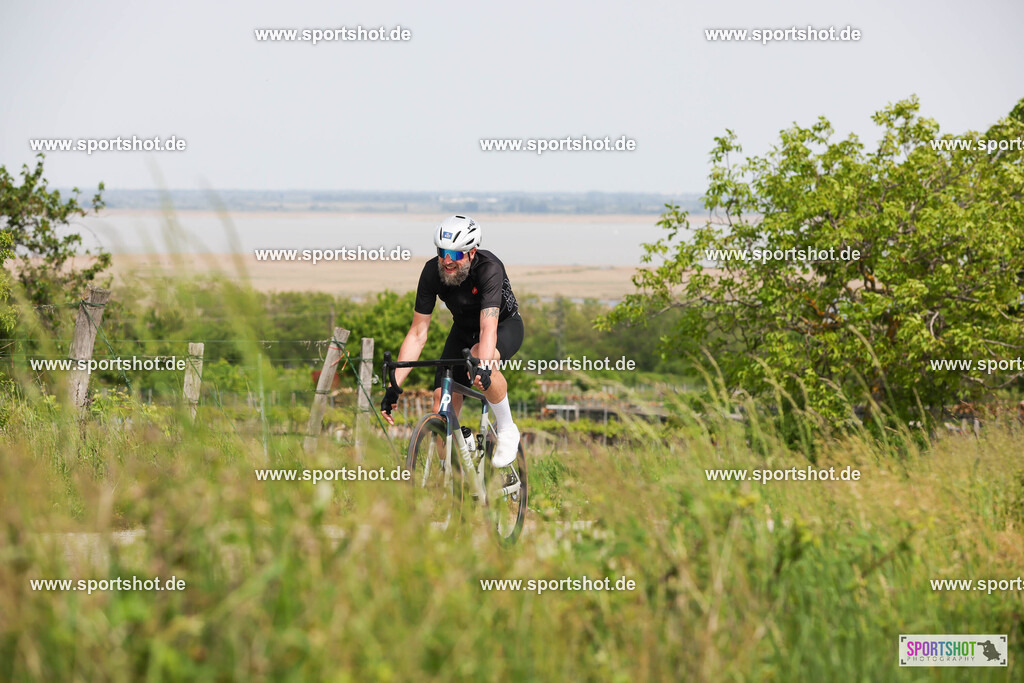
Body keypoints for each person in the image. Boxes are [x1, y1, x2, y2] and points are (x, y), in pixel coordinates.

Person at [380, 215, 524, 467]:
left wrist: (483, 367)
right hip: (462, 332)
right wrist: (395, 385)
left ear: (471, 252)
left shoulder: (489, 268)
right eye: (442, 252)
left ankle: (507, 427)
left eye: (456, 255)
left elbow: (488, 327)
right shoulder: (431, 272)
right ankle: (456, 478)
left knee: (482, 356)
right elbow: (417, 333)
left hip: (502, 326)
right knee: (440, 406)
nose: (447, 260)